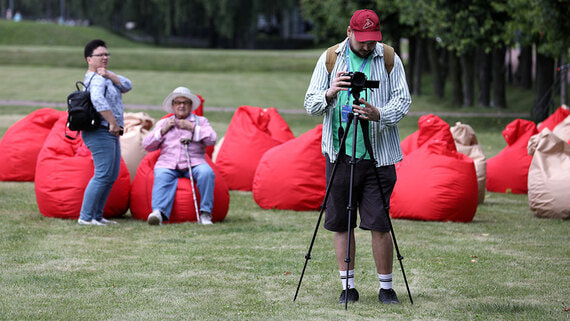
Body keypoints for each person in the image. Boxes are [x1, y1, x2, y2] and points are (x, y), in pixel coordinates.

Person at [304, 9, 411, 304]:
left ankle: (386, 288)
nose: (368, 46)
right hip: (339, 153)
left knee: (379, 222)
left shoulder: (389, 58)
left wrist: (380, 114)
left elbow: (403, 101)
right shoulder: (330, 58)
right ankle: (347, 287)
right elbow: (310, 103)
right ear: (349, 32)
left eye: (372, 40)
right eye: (363, 40)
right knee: (341, 222)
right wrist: (330, 93)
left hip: (379, 155)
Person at [143, 87, 217, 225]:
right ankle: (158, 213)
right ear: (173, 106)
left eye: (185, 102)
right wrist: (163, 130)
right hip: (168, 162)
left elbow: (212, 139)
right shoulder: (163, 123)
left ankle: (206, 213)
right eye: (178, 103)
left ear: (190, 105)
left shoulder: (200, 121)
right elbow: (147, 145)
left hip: (194, 162)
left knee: (206, 173)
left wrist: (192, 128)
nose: (181, 106)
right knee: (161, 174)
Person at [78, 39, 132, 226]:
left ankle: (97, 216)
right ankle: (86, 217)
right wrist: (113, 123)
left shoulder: (104, 76)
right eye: (100, 55)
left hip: (108, 130)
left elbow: (127, 85)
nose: (105, 57)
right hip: (100, 130)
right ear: (89, 59)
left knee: (111, 174)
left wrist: (109, 74)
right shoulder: (96, 79)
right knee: (103, 174)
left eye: (106, 54)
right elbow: (98, 100)